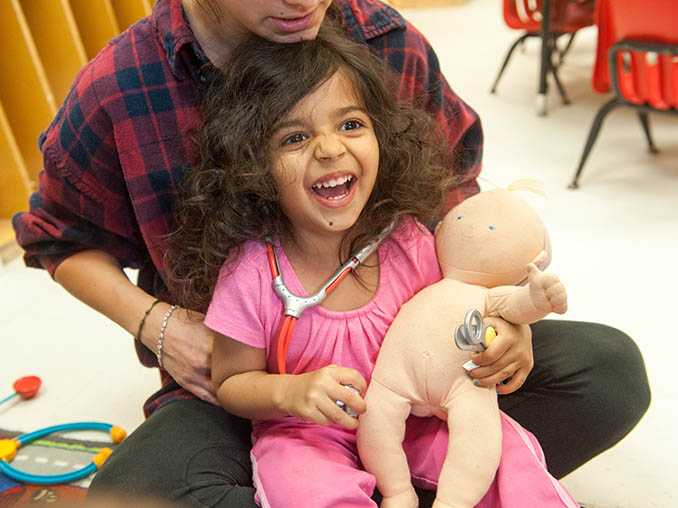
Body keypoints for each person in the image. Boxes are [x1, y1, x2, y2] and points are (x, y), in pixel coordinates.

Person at [11, 0, 649, 506]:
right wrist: (158, 322)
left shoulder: (386, 42)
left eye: (351, 124)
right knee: (140, 491)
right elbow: (58, 237)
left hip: (420, 378)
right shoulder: (121, 88)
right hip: (265, 402)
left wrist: (503, 320)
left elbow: (463, 222)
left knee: (607, 370)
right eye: (294, 137)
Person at [170, 23, 579, 508]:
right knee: (303, 488)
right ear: (252, 164)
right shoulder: (253, 272)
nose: (329, 149)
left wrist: (507, 332)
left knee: (503, 453)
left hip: (418, 417)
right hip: (309, 434)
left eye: (350, 125)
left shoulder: (407, 241)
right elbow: (233, 383)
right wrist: (291, 393)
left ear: (381, 137)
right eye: (295, 137)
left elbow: (464, 306)